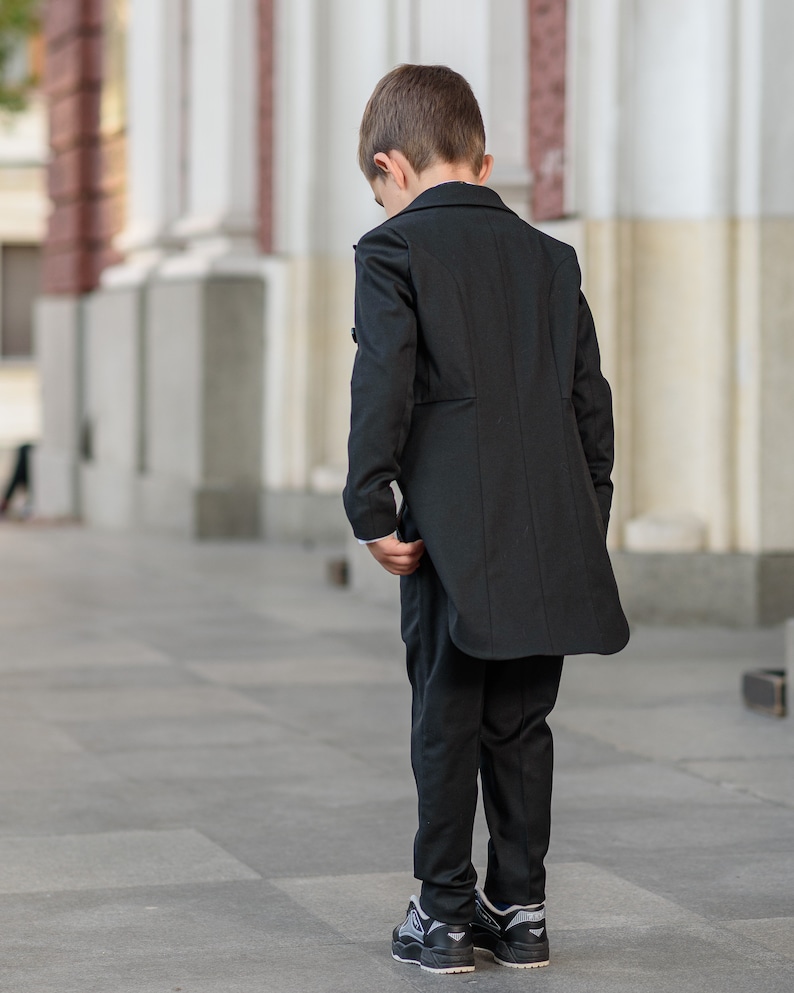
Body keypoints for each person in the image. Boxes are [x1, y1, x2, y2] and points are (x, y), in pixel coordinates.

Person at [343, 64, 630, 975]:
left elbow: (382, 382)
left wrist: (370, 502)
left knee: (446, 715)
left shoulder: (391, 253)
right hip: (547, 526)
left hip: (445, 536)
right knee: (520, 722)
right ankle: (523, 907)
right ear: (484, 158)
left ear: (389, 166)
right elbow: (591, 402)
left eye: (379, 189)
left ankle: (442, 912)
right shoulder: (550, 259)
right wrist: (590, 509)